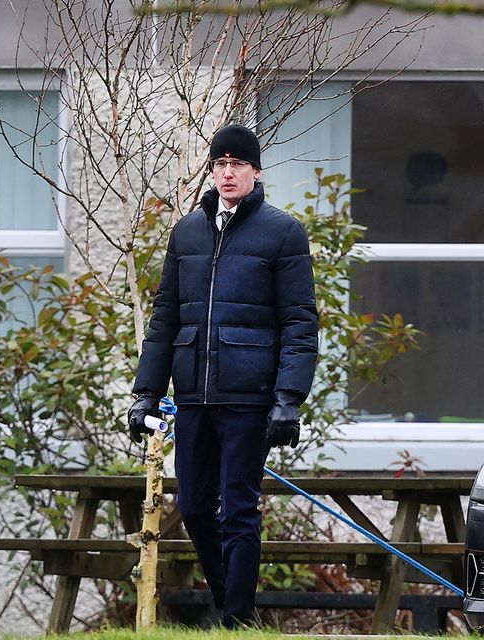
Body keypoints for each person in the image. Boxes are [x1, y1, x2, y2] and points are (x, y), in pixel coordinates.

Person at [127, 123, 318, 628]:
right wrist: (146, 392)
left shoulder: (282, 232)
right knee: (192, 507)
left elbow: (300, 322)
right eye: (220, 165)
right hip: (193, 396)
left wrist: (288, 399)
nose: (228, 173)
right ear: (212, 171)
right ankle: (232, 606)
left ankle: (236, 619)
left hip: (249, 398)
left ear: (256, 171)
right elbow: (166, 317)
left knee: (237, 511)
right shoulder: (187, 232)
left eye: (238, 165)